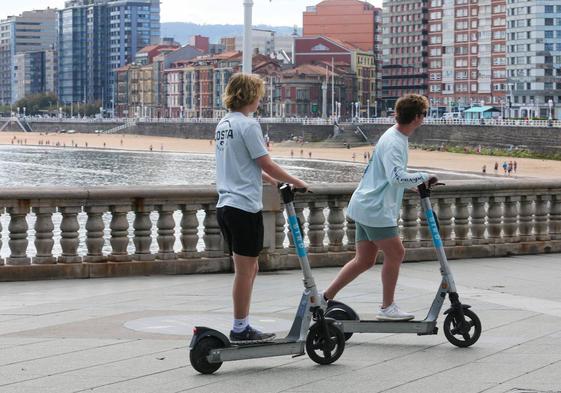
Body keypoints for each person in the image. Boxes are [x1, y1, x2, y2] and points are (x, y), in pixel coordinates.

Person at [321, 94, 435, 321]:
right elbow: (395, 178)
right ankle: (387, 307)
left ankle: (323, 298)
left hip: (365, 204)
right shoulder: (395, 141)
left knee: (364, 260)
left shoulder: (394, 136)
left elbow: (386, 176)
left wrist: (414, 185)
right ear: (417, 117)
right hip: (375, 209)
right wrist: (425, 176)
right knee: (397, 252)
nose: (424, 118)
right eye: (424, 114)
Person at [215, 73, 308, 344]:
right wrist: (297, 181)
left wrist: (276, 181)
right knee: (245, 271)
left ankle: (242, 324)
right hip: (243, 207)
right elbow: (265, 162)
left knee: (249, 269)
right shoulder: (248, 124)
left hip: (226, 205)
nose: (261, 98)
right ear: (251, 95)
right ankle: (240, 327)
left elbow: (249, 163)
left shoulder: (224, 124)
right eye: (259, 93)